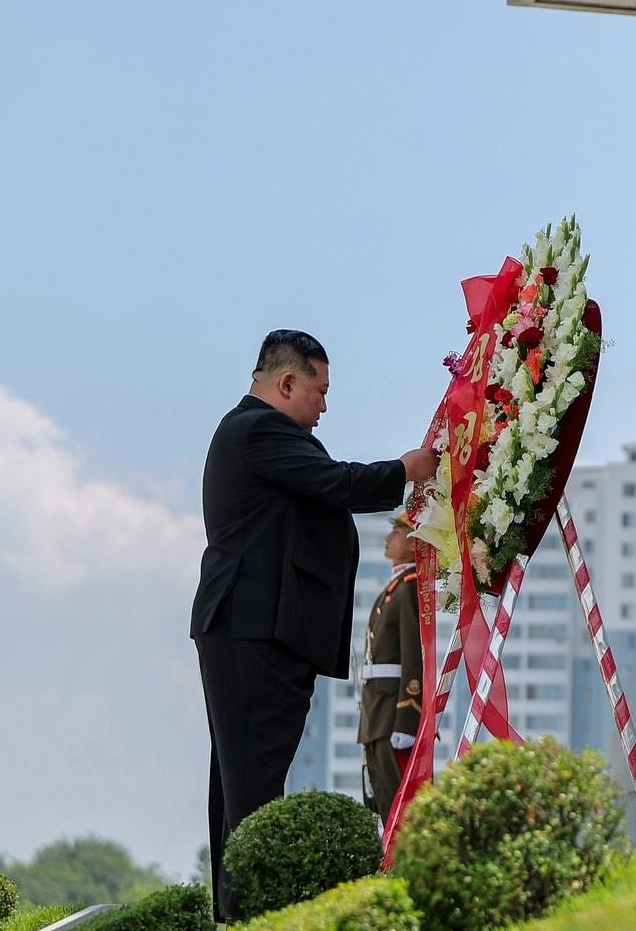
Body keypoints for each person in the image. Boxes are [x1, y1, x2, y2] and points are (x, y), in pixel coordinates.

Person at [190, 329, 437, 922]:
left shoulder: (255, 433)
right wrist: (409, 468)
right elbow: (339, 485)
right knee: (252, 789)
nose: (325, 406)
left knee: (243, 784)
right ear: (287, 382)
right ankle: (249, 915)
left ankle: (237, 913)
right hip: (256, 630)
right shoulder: (259, 430)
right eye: (320, 390)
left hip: (256, 630)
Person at [357, 510, 424, 823]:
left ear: (414, 543)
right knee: (384, 804)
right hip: (377, 713)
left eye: (396, 532)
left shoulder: (409, 588)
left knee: (401, 807)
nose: (388, 538)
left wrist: (407, 719)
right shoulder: (395, 588)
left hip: (392, 714)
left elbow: (413, 656)